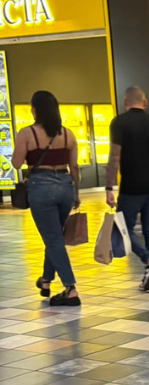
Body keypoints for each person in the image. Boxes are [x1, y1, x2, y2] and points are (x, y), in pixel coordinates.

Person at [11, 91, 81, 306]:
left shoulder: (27, 133)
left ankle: (70, 288)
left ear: (35, 110)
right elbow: (74, 167)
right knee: (55, 237)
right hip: (65, 187)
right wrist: (76, 193)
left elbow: (15, 163)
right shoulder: (68, 134)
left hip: (41, 187)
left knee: (52, 239)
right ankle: (46, 281)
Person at [105, 86, 149, 293]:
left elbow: (114, 156)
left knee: (124, 228)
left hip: (131, 187)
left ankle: (148, 259)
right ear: (144, 103)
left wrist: (109, 186)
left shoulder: (119, 122)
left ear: (125, 103)